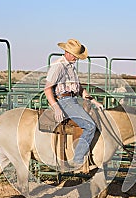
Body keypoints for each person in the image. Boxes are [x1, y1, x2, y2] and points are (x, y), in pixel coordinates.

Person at [44, 38, 104, 168]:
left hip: (73, 99)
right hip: (64, 101)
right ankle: (78, 159)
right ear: (68, 53)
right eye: (76, 56)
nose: (77, 58)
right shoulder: (58, 66)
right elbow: (47, 89)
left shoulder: (71, 67)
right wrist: (56, 107)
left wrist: (93, 101)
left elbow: (79, 89)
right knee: (90, 125)